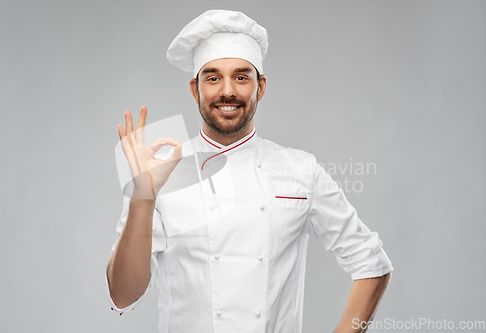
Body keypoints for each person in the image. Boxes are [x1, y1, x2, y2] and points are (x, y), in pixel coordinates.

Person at [105, 9, 393, 333]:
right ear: (194, 89)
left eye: (241, 77)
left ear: (261, 87)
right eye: (212, 78)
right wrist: (143, 195)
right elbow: (122, 296)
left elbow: (372, 263)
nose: (227, 91)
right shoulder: (163, 168)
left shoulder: (299, 169)